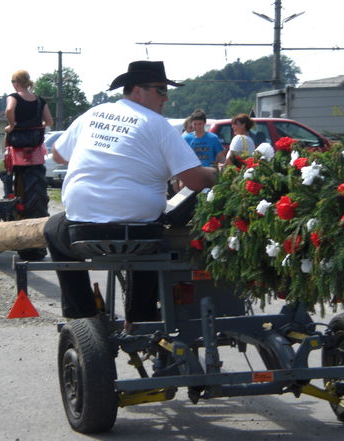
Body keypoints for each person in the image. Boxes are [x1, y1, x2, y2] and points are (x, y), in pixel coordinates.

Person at [44, 60, 216, 327]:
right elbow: (194, 180)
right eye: (160, 90)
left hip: (82, 229)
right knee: (152, 243)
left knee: (53, 228)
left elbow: (58, 154)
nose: (165, 97)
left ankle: (82, 314)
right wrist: (217, 173)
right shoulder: (159, 125)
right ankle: (140, 318)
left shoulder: (94, 114)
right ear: (137, 90)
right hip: (139, 232)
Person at [4, 69, 53, 144]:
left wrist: (12, 125)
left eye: (12, 81)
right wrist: (38, 125)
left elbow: (9, 110)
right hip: (35, 142)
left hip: (17, 141)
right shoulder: (41, 101)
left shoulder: (13, 97)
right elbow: (49, 122)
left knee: (6, 131)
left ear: (16, 83)